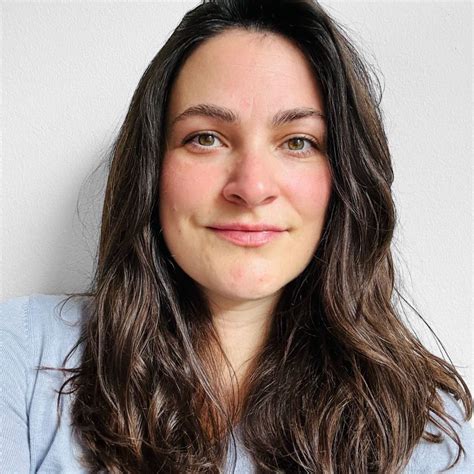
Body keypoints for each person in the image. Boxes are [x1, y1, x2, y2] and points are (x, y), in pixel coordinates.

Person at [1, 0, 472, 472]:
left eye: (298, 142)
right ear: (151, 168)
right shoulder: (20, 356)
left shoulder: (424, 432)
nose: (251, 187)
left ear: (346, 179)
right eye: (206, 138)